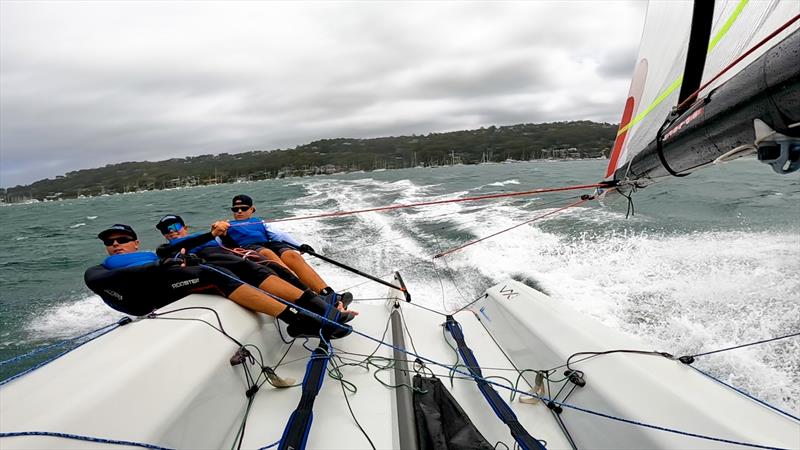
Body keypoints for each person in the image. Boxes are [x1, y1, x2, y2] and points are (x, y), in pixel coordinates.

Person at [84, 224, 352, 338]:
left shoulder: (157, 253)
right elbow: (105, 279)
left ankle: (320, 307)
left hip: (169, 283)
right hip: (144, 296)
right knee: (214, 274)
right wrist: (161, 265)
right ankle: (299, 321)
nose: (116, 245)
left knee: (242, 266)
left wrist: (207, 237)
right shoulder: (99, 269)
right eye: (110, 242)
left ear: (135, 242)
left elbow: (184, 247)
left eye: (122, 240)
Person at [153, 214, 358, 318]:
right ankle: (323, 312)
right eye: (166, 230)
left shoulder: (206, 238)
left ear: (184, 227)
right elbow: (174, 250)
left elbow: (229, 246)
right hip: (222, 270)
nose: (171, 232)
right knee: (265, 264)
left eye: (175, 227)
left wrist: (223, 235)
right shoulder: (167, 248)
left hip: (234, 259)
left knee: (274, 267)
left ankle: (325, 302)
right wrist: (212, 234)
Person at [224, 194, 353, 306]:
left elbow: (279, 235)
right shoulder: (226, 226)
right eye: (235, 209)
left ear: (252, 209)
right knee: (267, 254)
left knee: (291, 255)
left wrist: (299, 246)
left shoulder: (259, 222)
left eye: (243, 208)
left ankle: (329, 294)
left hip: (268, 243)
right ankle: (309, 296)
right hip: (248, 247)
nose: (239, 211)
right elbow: (216, 241)